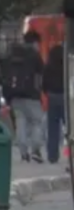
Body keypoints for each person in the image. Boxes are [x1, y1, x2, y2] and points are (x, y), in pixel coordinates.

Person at [2, 31, 46, 163]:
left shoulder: (10, 55)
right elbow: (41, 73)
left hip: (14, 96)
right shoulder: (34, 55)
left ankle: (23, 152)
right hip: (32, 95)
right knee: (36, 122)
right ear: (34, 42)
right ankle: (36, 150)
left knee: (20, 122)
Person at [43, 42, 65, 163]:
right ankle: (69, 153)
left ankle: (52, 155)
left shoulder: (49, 66)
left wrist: (47, 92)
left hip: (52, 96)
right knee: (69, 128)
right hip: (64, 95)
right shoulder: (65, 66)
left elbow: (44, 83)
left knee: (53, 128)